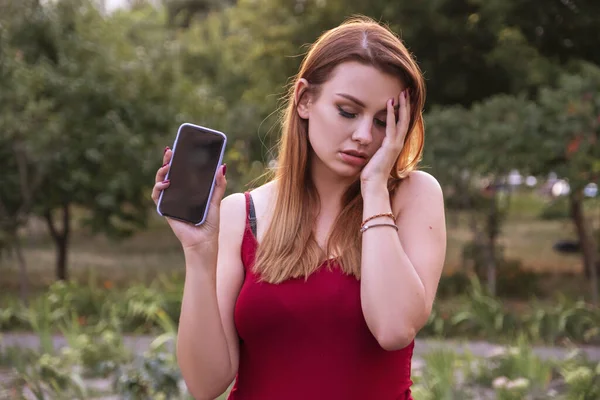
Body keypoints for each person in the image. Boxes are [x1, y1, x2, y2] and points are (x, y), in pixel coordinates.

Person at [151, 15, 446, 400]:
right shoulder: (242, 213)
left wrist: (374, 189)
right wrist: (198, 252)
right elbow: (206, 384)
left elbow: (393, 329)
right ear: (305, 99)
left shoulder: (413, 196)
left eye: (382, 121)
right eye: (347, 111)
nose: (363, 136)